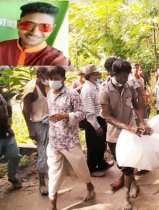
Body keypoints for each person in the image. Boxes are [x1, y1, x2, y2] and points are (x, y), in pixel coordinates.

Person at [99, 59, 150, 210]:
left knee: (129, 165)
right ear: (114, 74)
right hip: (114, 135)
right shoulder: (105, 91)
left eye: (127, 75)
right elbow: (107, 117)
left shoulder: (129, 87)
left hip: (131, 132)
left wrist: (142, 122)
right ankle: (133, 184)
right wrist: (127, 127)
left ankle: (126, 197)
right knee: (122, 166)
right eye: (123, 76)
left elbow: (136, 106)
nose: (126, 79)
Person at [46, 66, 95, 210]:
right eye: (50, 79)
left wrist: (66, 116)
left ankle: (90, 186)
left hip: (69, 139)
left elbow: (82, 114)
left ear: (63, 79)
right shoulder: (49, 95)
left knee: (80, 167)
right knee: (53, 172)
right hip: (54, 139)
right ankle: (52, 203)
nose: (53, 82)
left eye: (56, 79)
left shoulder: (72, 94)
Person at [0, 2, 68, 66]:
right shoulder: (2, 47)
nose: (35, 32)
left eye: (45, 27)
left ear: (52, 29)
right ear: (18, 24)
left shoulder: (57, 60)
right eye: (27, 24)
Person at [81, 64, 113, 177]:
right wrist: (96, 126)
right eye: (96, 74)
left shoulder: (95, 86)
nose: (99, 76)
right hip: (94, 121)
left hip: (101, 118)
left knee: (101, 144)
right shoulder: (87, 89)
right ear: (91, 76)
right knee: (93, 146)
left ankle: (101, 163)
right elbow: (89, 112)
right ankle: (92, 169)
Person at [22, 66, 50, 195]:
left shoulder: (48, 86)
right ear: (40, 74)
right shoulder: (31, 88)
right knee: (43, 152)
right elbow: (25, 110)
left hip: (50, 122)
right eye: (47, 75)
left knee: (53, 151)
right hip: (38, 124)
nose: (49, 77)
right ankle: (42, 182)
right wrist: (30, 129)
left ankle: (52, 176)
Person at [0, 93, 22, 190]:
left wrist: (9, 121)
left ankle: (12, 176)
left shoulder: (1, 96)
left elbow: (8, 108)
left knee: (15, 155)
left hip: (6, 132)